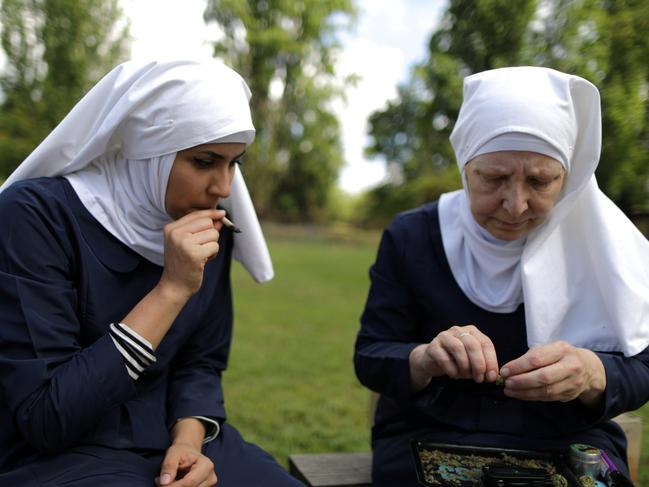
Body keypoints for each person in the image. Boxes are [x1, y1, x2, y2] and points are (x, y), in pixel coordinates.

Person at [0, 58, 304, 487]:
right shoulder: (36, 217)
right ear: (148, 152)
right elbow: (46, 416)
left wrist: (189, 442)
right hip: (59, 454)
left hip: (171, 436)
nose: (224, 188)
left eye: (235, 162)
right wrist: (172, 289)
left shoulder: (210, 224)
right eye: (204, 161)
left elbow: (200, 363)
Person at [354, 66, 649, 486]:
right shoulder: (413, 236)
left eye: (540, 180)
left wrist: (591, 372)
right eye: (493, 178)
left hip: (568, 443)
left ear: (568, 177)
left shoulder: (601, 243)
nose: (515, 204)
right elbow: (371, 355)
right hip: (431, 437)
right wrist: (423, 359)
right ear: (465, 165)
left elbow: (642, 367)